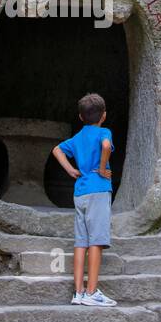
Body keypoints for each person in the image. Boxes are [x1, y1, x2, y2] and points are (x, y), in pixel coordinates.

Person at [52, 92, 118, 307]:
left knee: (81, 242)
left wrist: (71, 170)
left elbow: (57, 150)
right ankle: (91, 292)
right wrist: (102, 168)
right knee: (96, 241)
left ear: (81, 117)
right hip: (98, 190)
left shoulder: (78, 137)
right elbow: (106, 146)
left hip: (80, 192)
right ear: (104, 115)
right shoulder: (104, 132)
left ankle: (78, 292)